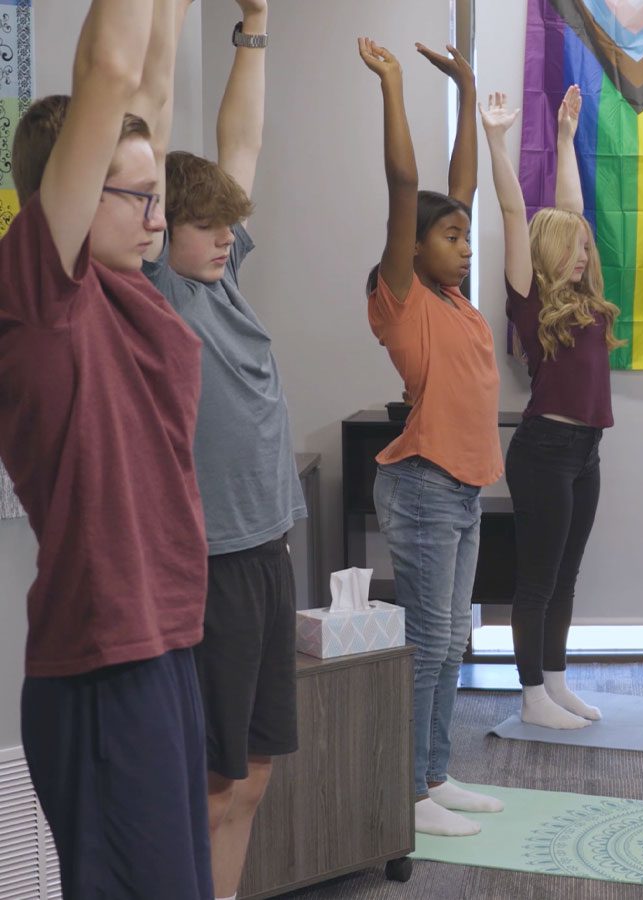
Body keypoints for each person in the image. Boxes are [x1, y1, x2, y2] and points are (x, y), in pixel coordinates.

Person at [0, 0, 215, 895]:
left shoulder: (136, 290)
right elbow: (111, 72)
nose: (158, 215)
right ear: (74, 196)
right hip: (101, 663)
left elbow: (149, 83)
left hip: (162, 646)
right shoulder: (42, 297)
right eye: (136, 196)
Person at [139, 2, 304, 896]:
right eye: (204, 227)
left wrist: (253, 24)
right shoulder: (162, 284)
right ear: (168, 226)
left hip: (269, 550)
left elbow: (239, 145)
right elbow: (160, 110)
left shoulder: (222, 274)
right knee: (210, 786)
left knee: (256, 774)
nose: (220, 238)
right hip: (212, 565)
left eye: (225, 228)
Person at [358, 35, 506, 837]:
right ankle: (406, 793)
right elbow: (408, 186)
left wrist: (468, 83)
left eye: (466, 235)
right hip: (421, 485)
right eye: (451, 237)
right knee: (427, 641)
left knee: (453, 641)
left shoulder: (454, 299)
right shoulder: (402, 297)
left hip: (463, 487)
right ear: (412, 249)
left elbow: (454, 191)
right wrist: (392, 86)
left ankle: (434, 773)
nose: (466, 242)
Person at [481, 86, 624, 729]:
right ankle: (531, 693)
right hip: (542, 451)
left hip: (586, 451)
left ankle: (557, 682)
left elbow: (570, 213)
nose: (583, 255)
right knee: (537, 579)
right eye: (573, 251)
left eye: (585, 249)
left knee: (567, 575)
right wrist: (496, 139)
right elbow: (517, 213)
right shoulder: (530, 301)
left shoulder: (584, 299)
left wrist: (566, 141)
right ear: (547, 259)